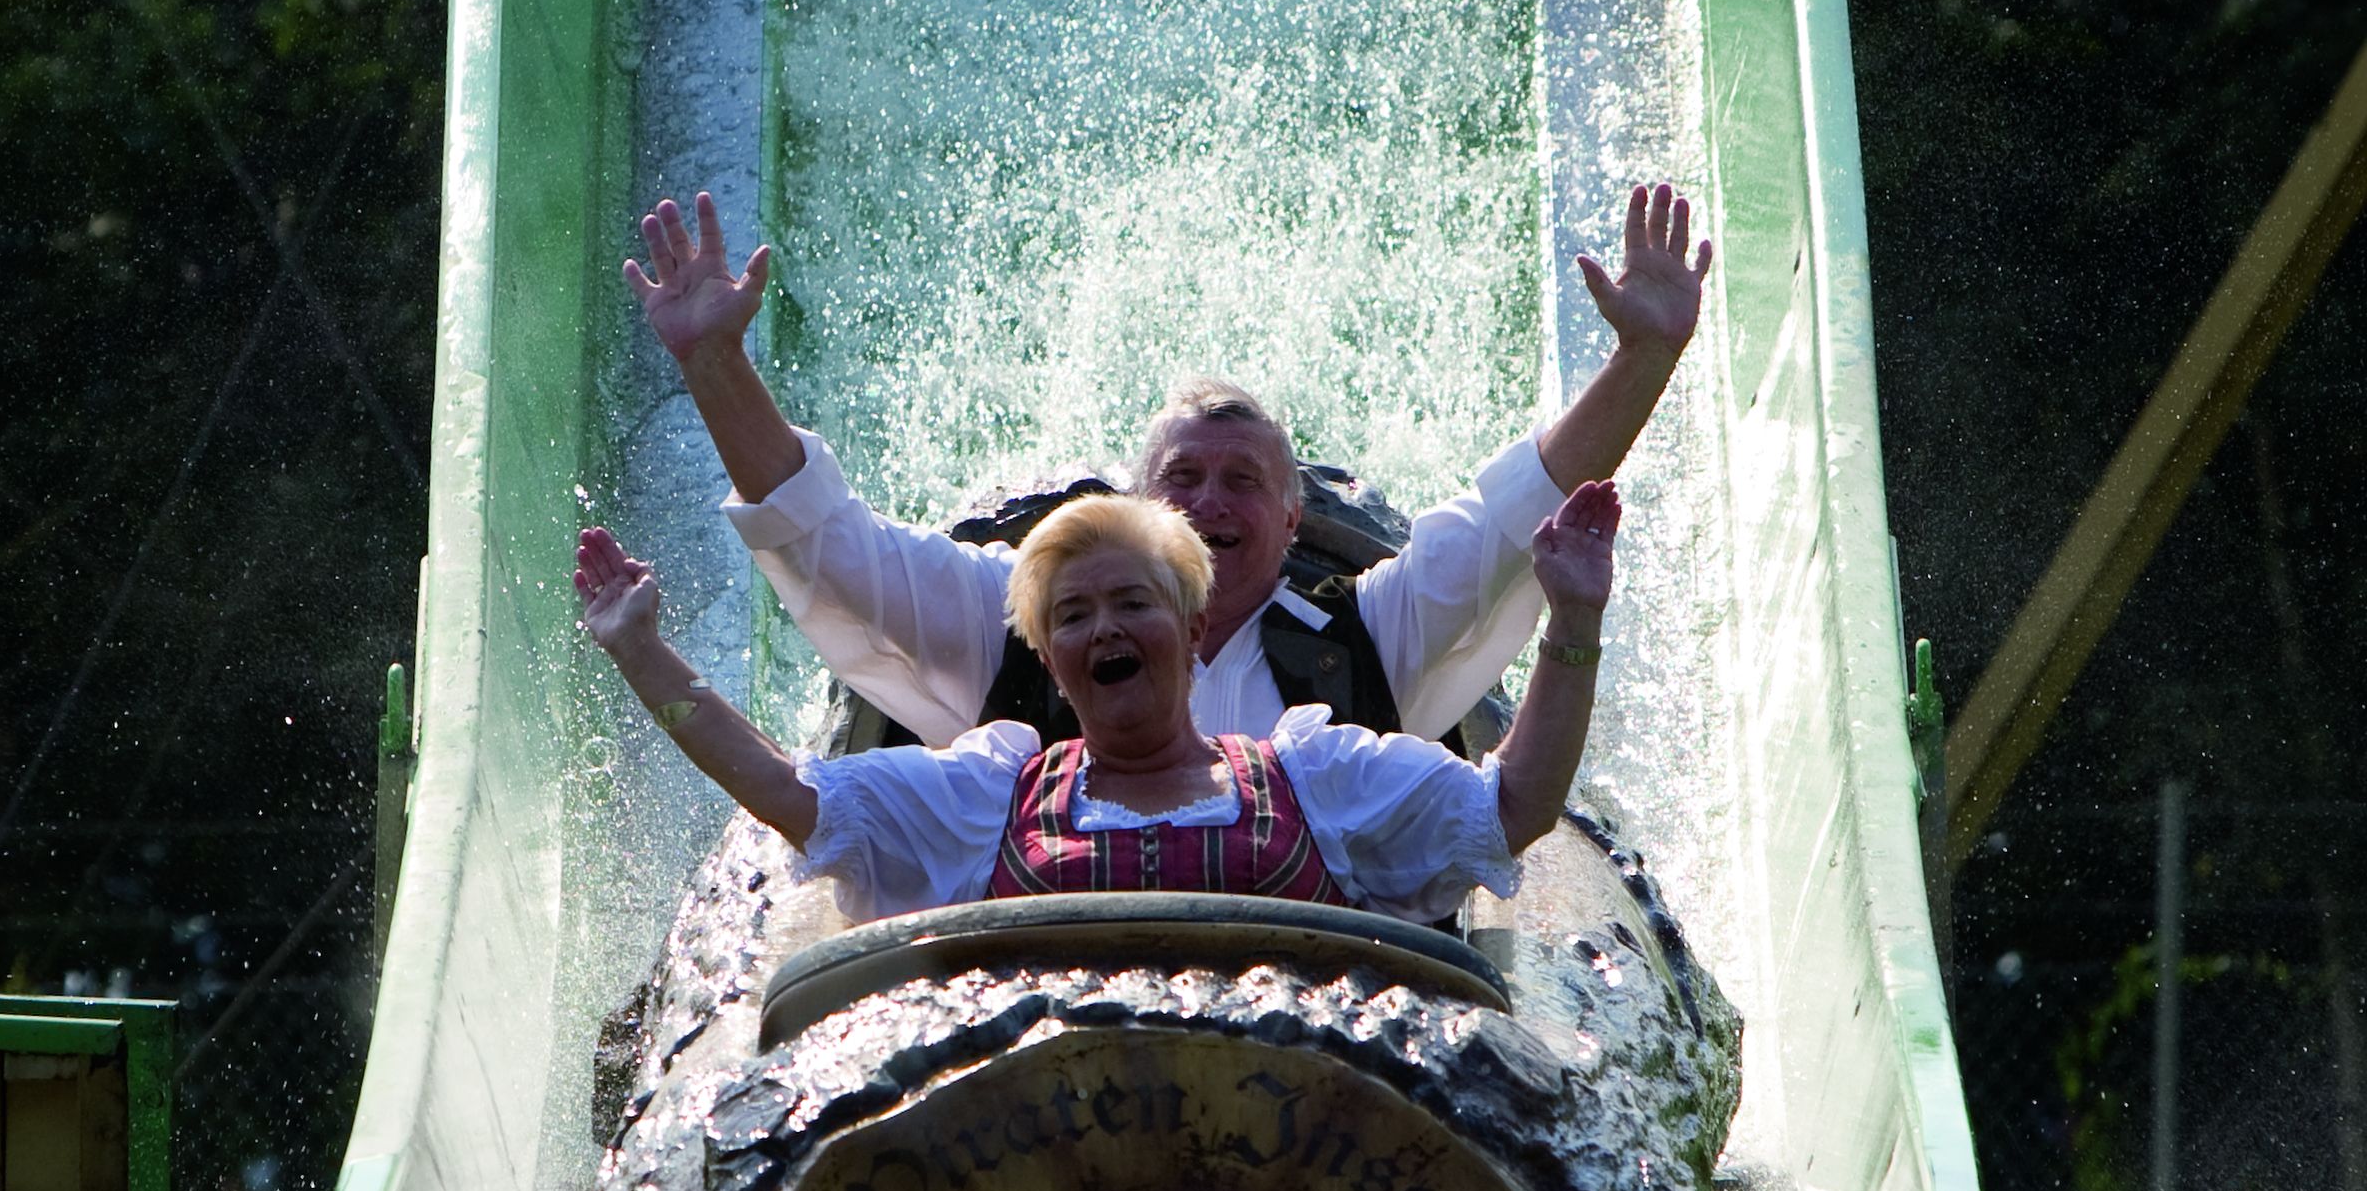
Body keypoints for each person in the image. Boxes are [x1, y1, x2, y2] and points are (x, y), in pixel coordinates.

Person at [620, 185, 1703, 749]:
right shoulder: (1019, 627)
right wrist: (716, 364)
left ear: (1293, 522)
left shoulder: (1367, 644)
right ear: (1134, 508)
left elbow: (1517, 517)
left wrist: (1642, 356)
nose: (1208, 503)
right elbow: (830, 544)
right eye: (1181, 480)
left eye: (1243, 484)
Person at [572, 475, 1619, 926]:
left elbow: (1512, 808)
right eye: (1073, 616)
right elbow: (791, 795)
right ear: (1049, 655)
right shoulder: (990, 793)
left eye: (1133, 605)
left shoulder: (1316, 774)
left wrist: (1572, 617)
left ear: (1193, 631)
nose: (1105, 630)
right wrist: (642, 655)